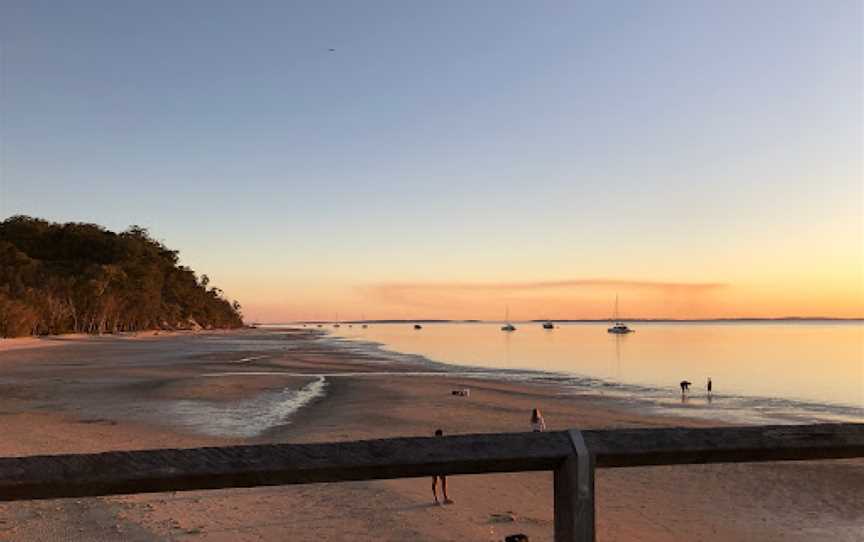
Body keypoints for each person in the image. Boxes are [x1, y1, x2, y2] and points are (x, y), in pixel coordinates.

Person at [432, 429, 453, 505]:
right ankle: (436, 498)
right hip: (434, 464)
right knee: (435, 481)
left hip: (440, 464)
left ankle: (444, 497)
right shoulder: (433, 443)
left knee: (443, 481)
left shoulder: (441, 443)